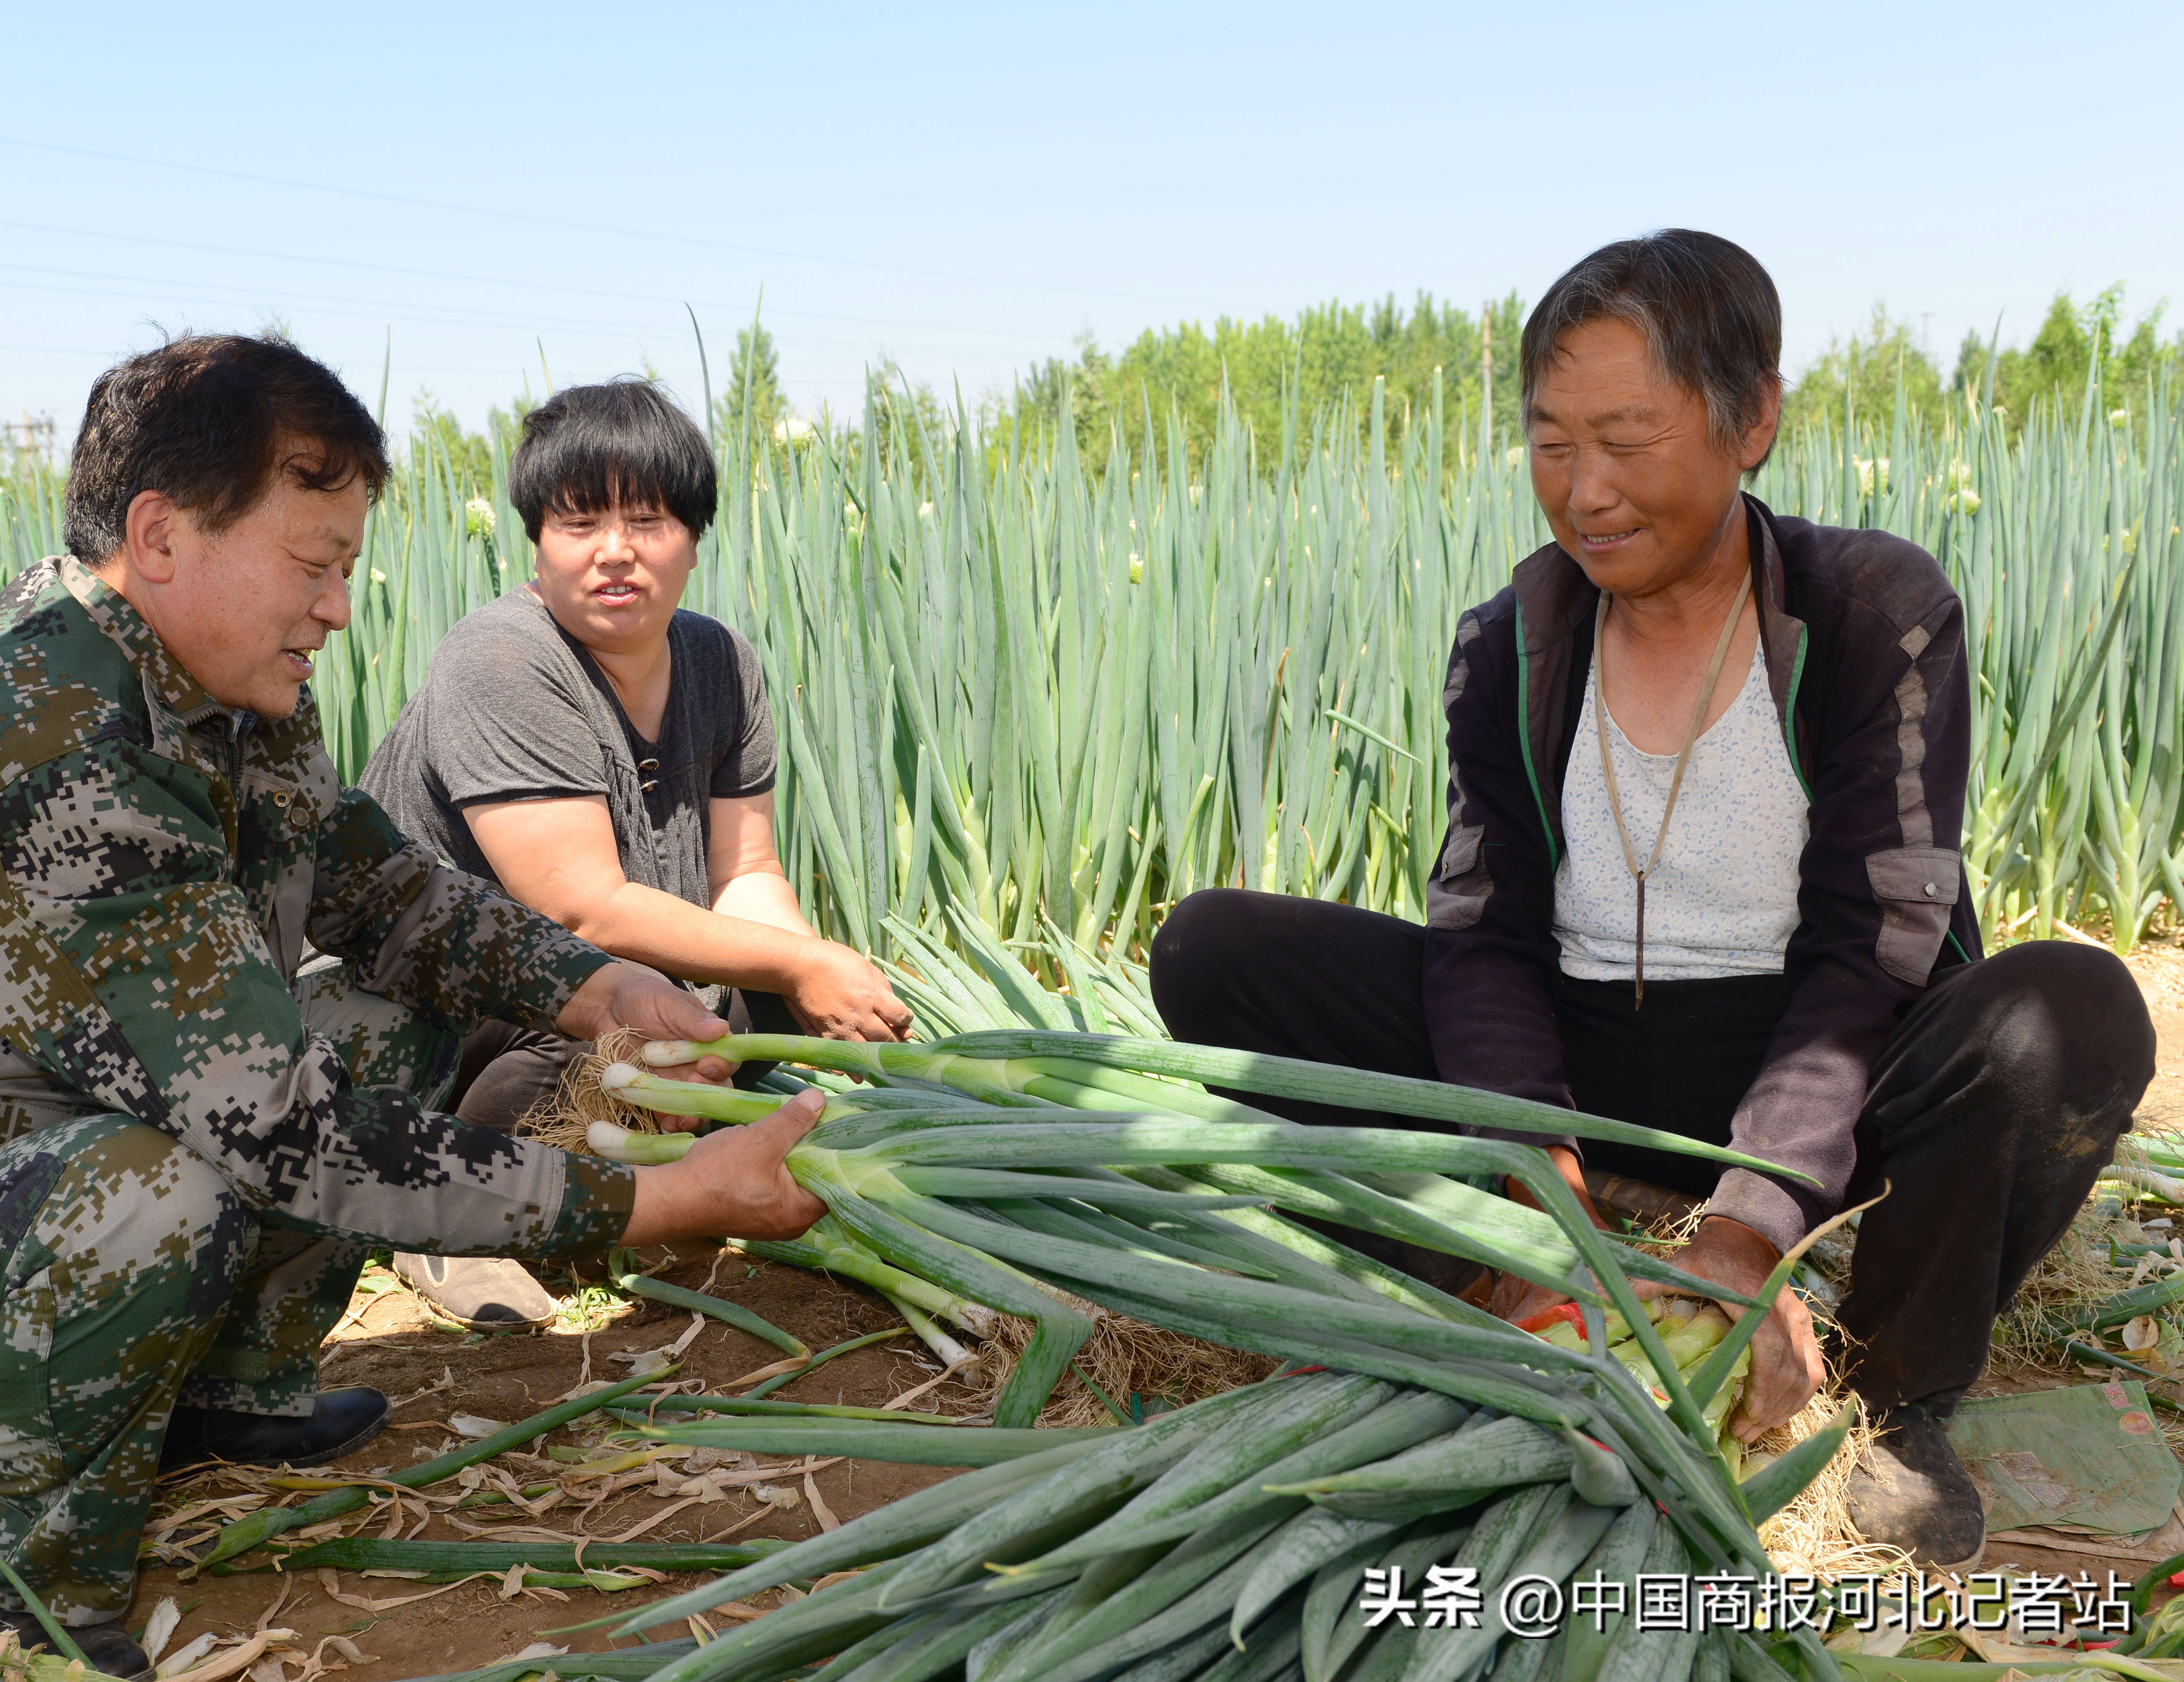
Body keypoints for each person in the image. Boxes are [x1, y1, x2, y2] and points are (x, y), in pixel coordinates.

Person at [0, 335, 827, 1677]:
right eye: (312, 563)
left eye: (347, 567)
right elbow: (282, 1132)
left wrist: (593, 983)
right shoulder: (48, 745)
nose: (338, 607)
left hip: (9, 1174)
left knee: (380, 1020)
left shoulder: (220, 691)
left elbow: (379, 889)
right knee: (155, 1188)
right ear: (160, 537)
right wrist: (659, 1199)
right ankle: (13, 1581)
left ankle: (225, 1393)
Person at [1148, 230, 2157, 1568]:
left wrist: (1747, 1225)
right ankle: (1492, 1281)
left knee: (2064, 1013)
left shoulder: (1869, 610)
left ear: (1753, 421)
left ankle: (1893, 1396)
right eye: (1551, 444)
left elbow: (1869, 951)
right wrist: (1534, 1188)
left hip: (1826, 1070)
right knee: (1215, 949)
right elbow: (1483, 936)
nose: (1586, 492)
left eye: (1627, 440)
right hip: (1592, 1053)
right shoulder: (1512, 641)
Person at [359, 379, 909, 1327]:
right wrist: (798, 965)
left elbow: (748, 875)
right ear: (537, 543)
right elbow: (580, 910)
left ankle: (653, 1164)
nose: (615, 550)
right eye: (580, 523)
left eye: (648, 520)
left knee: (792, 992)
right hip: (452, 1001)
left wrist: (816, 981)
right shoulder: (502, 659)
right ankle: (447, 1207)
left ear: (693, 538)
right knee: (618, 1036)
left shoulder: (720, 661)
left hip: (611, 983)